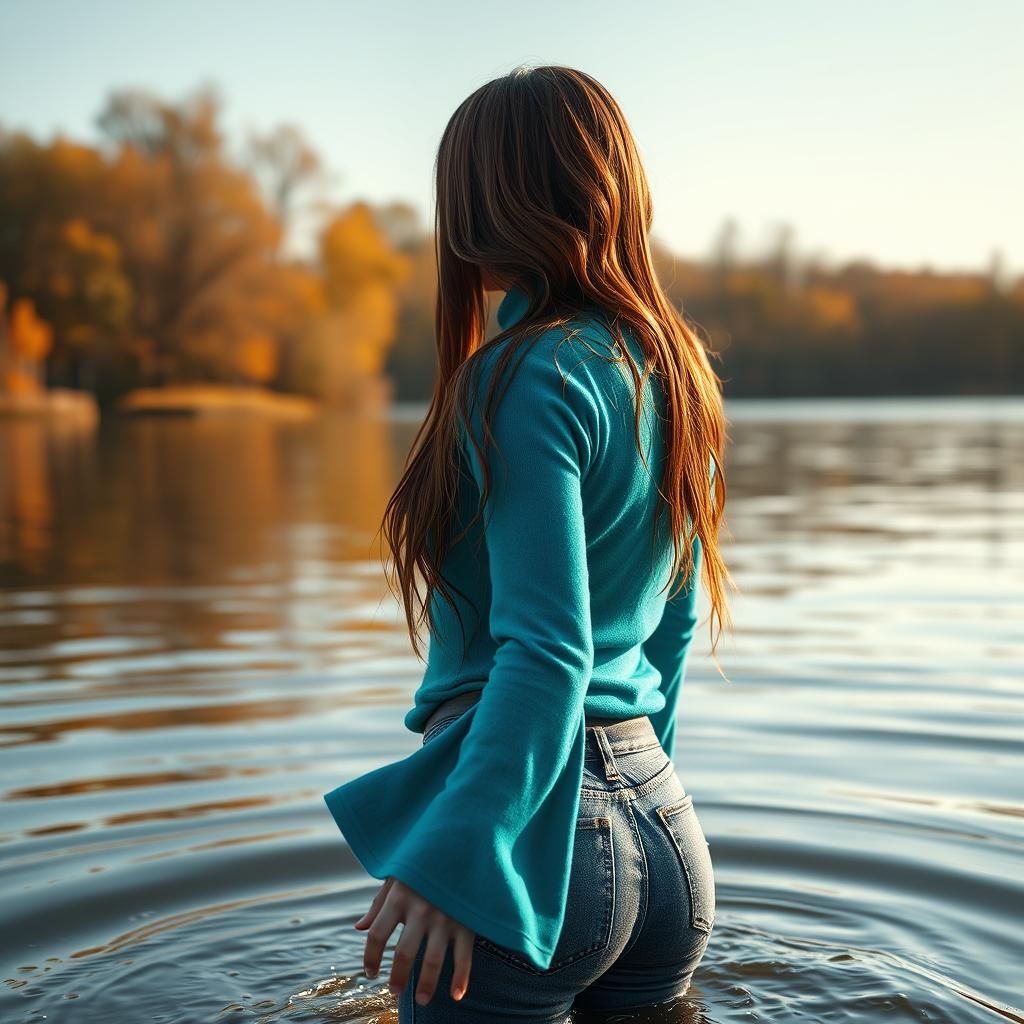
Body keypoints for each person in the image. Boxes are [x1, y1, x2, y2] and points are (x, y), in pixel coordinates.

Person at [322, 64, 733, 1021]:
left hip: (529, 831)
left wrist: (460, 856)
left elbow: (548, 649)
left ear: (475, 206)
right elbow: (667, 638)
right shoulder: (677, 381)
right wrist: (637, 816)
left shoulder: (521, 377)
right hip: (668, 832)